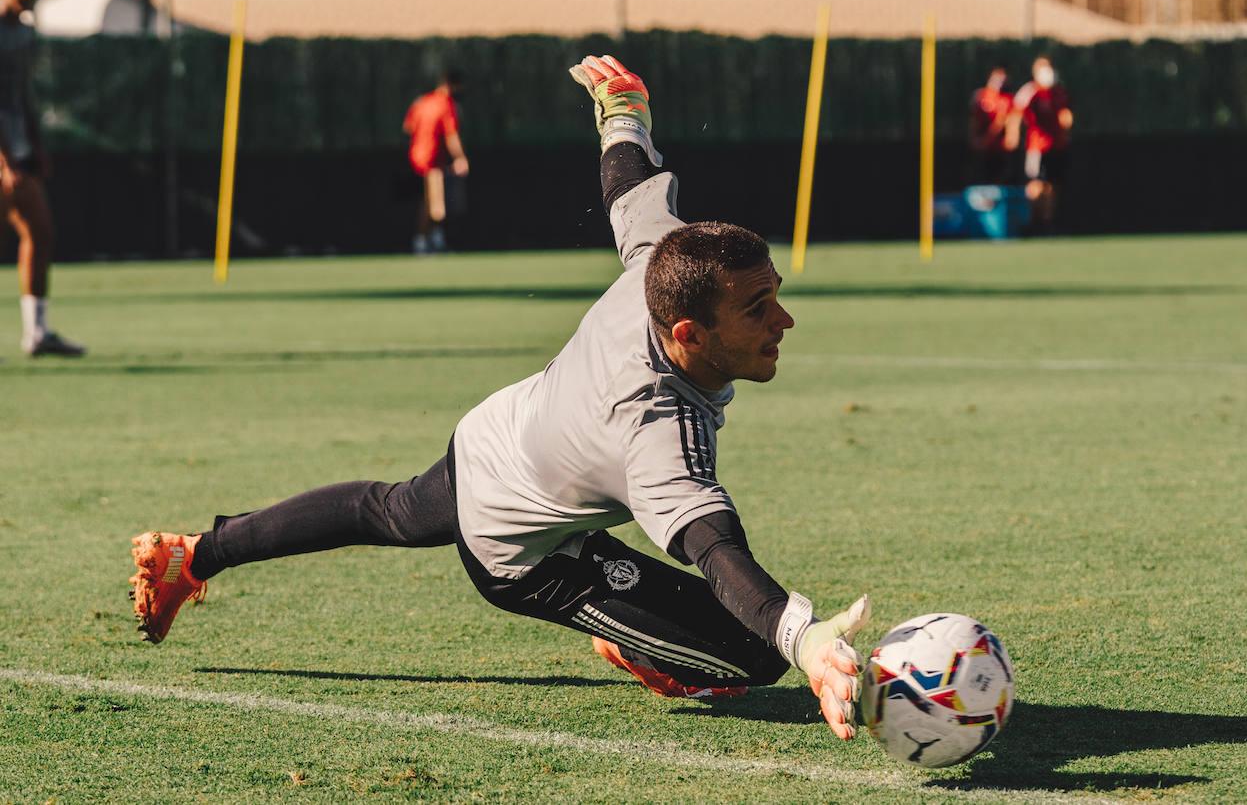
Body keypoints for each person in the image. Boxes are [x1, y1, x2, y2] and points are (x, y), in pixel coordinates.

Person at [130, 55, 872, 740]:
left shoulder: (662, 260)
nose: (784, 320)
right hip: (520, 551)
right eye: (757, 310)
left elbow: (627, 185)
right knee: (755, 657)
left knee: (385, 510)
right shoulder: (656, 431)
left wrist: (624, 111)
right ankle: (636, 642)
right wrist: (804, 640)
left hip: (494, 436)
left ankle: (195, 555)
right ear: (688, 333)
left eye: (775, 295)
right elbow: (718, 553)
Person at [0, 0, 83, 357]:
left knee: (40, 232)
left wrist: (36, 146)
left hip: (19, 150)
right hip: (3, 156)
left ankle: (37, 332)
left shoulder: (23, 33)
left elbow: (22, 95)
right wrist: (4, 160)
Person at [402, 69, 470, 254]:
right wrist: (460, 158)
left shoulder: (422, 101)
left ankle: (434, 239)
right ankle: (421, 242)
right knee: (433, 202)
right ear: (451, 85)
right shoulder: (446, 104)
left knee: (433, 200)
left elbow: (408, 126)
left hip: (417, 156)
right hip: (431, 159)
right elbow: (451, 135)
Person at [1006, 55, 1072, 234]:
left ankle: (1048, 223)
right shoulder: (1030, 91)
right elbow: (1016, 113)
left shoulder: (1058, 92)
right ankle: (1031, 222)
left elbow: (1065, 113)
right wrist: (1012, 134)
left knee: (1052, 186)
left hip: (1056, 146)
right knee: (1036, 185)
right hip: (1037, 148)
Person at [968, 65, 1015, 185]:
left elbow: (1009, 125)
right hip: (982, 149)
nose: (1000, 82)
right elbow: (974, 122)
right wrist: (978, 141)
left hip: (1000, 150)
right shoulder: (980, 96)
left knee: (999, 180)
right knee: (982, 181)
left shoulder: (1007, 99)